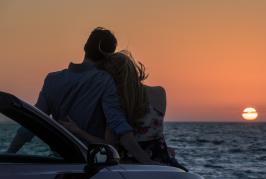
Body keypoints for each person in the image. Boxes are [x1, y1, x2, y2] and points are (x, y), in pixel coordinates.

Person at [6, 27, 153, 164]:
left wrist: (9, 154)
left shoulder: (52, 79)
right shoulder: (104, 81)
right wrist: (150, 163)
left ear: (85, 48)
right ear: (109, 55)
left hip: (59, 162)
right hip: (90, 164)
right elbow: (119, 126)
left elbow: (31, 124)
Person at [62, 51, 187, 170]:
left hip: (132, 168)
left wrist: (79, 131)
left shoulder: (116, 105)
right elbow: (153, 136)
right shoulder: (159, 92)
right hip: (163, 161)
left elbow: (109, 145)